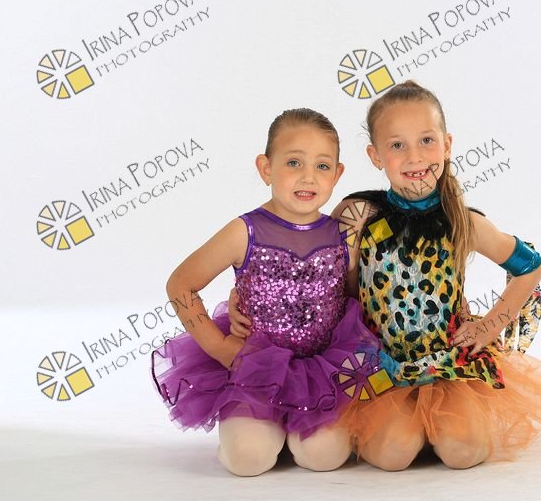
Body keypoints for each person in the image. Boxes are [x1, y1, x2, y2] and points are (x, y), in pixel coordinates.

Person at [230, 82, 541, 470]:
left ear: (447, 145)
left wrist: (488, 327)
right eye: (397, 145)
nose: (415, 156)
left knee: (464, 452)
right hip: (380, 363)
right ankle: (409, 427)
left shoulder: (463, 222)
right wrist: (248, 292)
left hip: (448, 362)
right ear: (375, 156)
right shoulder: (358, 214)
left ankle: (442, 425)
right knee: (391, 455)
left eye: (426, 140)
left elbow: (530, 267)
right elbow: (313, 265)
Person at [151, 108, 379, 476]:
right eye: (293, 162)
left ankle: (291, 431)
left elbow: (352, 301)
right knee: (248, 461)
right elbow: (181, 284)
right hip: (255, 371)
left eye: (322, 166)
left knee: (324, 458)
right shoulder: (245, 232)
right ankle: (258, 430)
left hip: (321, 372)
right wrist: (220, 348)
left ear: (337, 174)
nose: (308, 177)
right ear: (265, 168)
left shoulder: (343, 236)